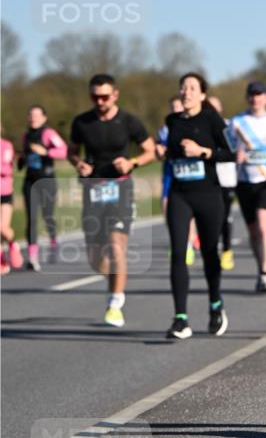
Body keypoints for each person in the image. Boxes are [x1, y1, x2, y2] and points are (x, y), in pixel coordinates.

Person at [68, 74, 155, 326]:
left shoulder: (129, 121)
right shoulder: (81, 122)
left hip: (121, 189)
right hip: (93, 191)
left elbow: (150, 151)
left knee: (116, 246)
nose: (99, 101)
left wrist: (132, 162)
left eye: (104, 96)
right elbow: (71, 152)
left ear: (115, 95)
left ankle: (115, 303)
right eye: (94, 97)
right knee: (95, 259)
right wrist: (78, 163)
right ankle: (115, 281)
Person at [164, 73, 235, 339]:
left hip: (208, 194)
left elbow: (230, 153)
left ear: (202, 94)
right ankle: (180, 318)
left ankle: (215, 304)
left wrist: (202, 151)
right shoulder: (171, 121)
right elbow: (172, 153)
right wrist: (164, 153)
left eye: (192, 88)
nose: (186, 92)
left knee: (209, 252)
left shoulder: (211, 119)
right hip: (179, 194)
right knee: (178, 252)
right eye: (183, 87)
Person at [228, 81, 266, 293]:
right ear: (248, 98)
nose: (255, 98)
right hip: (244, 180)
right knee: (254, 233)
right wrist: (235, 154)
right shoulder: (237, 122)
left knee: (264, 228)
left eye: (259, 94)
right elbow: (228, 146)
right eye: (252, 95)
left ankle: (265, 274)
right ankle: (262, 267)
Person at [17, 105, 67, 270]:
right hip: (30, 181)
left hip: (46, 181)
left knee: (47, 215)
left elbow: (63, 151)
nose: (33, 118)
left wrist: (45, 152)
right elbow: (23, 159)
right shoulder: (25, 136)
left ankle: (53, 242)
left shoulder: (48, 134)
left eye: (37, 115)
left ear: (44, 118)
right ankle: (33, 257)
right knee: (31, 218)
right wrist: (22, 158)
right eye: (31, 115)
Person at [156, 96, 198, 266]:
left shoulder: (192, 125)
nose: (176, 110)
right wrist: (159, 151)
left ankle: (188, 243)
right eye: (173, 108)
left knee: (189, 210)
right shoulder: (164, 129)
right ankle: (178, 239)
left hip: (189, 173)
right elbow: (159, 150)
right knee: (167, 208)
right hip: (170, 173)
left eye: (178, 107)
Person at [208, 95, 237, 272]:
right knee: (209, 218)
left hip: (226, 179)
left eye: (215, 108)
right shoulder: (201, 125)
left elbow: (233, 150)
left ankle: (226, 250)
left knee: (224, 217)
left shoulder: (227, 126)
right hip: (207, 180)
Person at [1, 134, 23, 274]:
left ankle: (13, 244)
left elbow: (8, 169)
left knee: (3, 228)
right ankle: (1, 261)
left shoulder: (6, 145)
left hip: (4, 192)